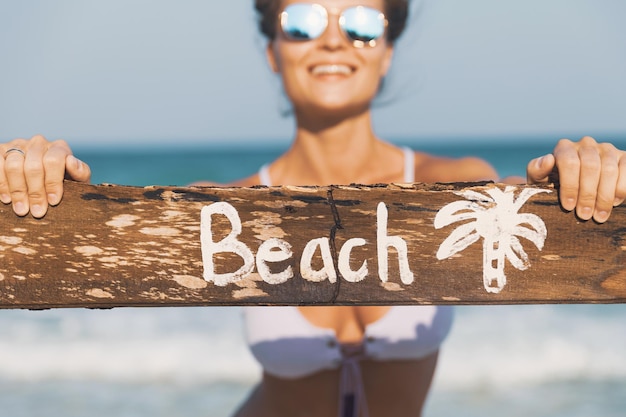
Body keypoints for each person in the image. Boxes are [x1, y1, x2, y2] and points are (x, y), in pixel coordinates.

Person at [0, 1, 624, 416]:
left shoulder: (459, 186)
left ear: (386, 51)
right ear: (273, 49)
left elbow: (540, 210)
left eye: (361, 22)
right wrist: (42, 183)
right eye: (300, 21)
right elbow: (104, 236)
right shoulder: (222, 209)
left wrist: (583, 173)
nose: (332, 38)